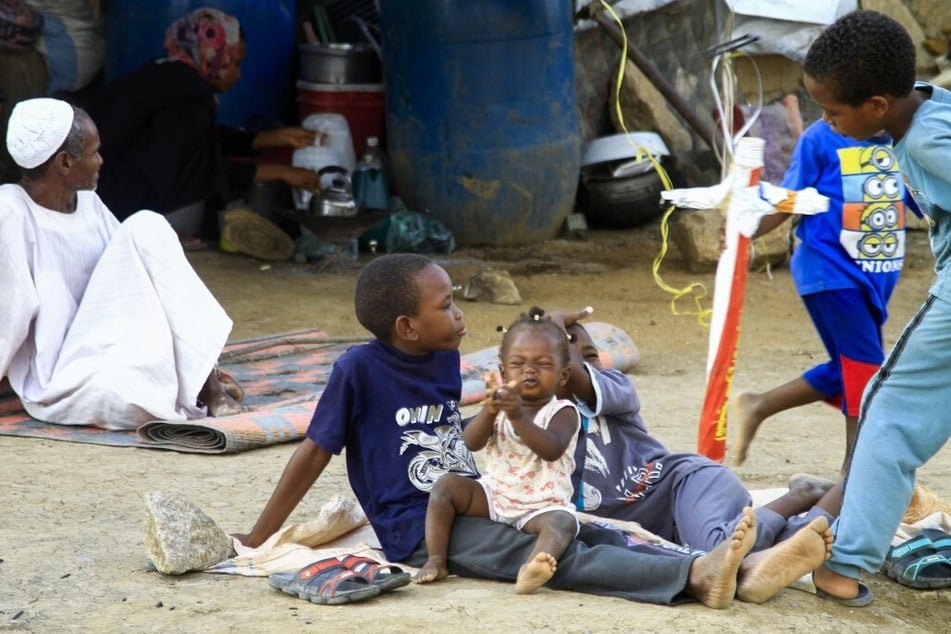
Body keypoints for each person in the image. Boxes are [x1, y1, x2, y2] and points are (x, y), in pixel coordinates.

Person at [235, 253, 831, 608]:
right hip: (419, 526)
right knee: (547, 557)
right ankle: (696, 577)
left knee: (582, 530)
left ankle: (735, 554)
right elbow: (314, 452)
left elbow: (475, 423)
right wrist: (260, 538)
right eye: (446, 305)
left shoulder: (446, 359)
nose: (461, 314)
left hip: (485, 494)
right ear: (406, 326)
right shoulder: (357, 371)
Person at [799, 10, 951, 606]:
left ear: (879, 105)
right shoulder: (932, 108)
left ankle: (845, 562)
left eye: (833, 112)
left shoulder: (928, 140)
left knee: (887, 409)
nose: (826, 121)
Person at [0, 97, 242, 429]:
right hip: (63, 367)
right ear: (65, 163)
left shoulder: (89, 204)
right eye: (93, 152)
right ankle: (190, 380)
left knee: (147, 226)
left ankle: (206, 382)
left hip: (108, 338)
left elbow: (140, 275)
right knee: (128, 398)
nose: (101, 160)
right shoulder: (10, 211)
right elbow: (8, 312)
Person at [553, 309, 841, 564]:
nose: (579, 361)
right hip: (673, 530)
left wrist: (551, 330)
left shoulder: (616, 388)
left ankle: (810, 494)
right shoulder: (534, 422)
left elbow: (573, 375)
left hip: (688, 485)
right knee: (763, 556)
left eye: (589, 356)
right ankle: (814, 505)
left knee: (717, 551)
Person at [733, 115, 909, 474]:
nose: (829, 116)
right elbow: (789, 199)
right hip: (830, 270)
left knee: (852, 367)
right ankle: (856, 469)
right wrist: (744, 230)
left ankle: (759, 405)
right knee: (865, 371)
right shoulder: (820, 138)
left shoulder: (904, 133)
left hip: (874, 277)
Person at [84, 7, 322, 235]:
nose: (238, 74)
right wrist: (277, 172)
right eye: (235, 62)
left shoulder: (169, 75)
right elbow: (191, 168)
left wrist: (269, 139)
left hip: (96, 190)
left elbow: (195, 141)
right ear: (214, 53)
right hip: (113, 205)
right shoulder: (188, 99)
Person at [414, 308, 582, 594]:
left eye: (543, 364)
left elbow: (551, 449)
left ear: (563, 375)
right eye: (518, 363)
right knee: (445, 486)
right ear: (503, 372)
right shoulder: (499, 407)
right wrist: (489, 412)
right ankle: (437, 559)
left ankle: (531, 569)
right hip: (494, 495)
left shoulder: (564, 412)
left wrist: (517, 416)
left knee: (563, 522)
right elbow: (471, 443)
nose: (529, 370)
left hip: (541, 505)